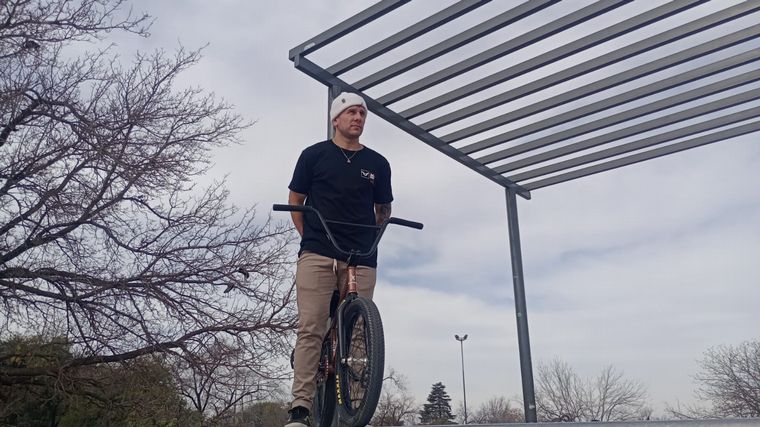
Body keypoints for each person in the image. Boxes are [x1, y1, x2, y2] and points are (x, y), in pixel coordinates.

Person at [285, 92, 393, 427]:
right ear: (336, 119)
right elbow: (295, 201)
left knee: (359, 331)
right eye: (351, 112)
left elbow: (383, 210)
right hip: (319, 251)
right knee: (312, 327)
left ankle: (354, 401)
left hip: (361, 256)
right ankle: (300, 408)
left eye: (362, 113)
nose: (358, 118)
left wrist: (370, 239)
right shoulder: (314, 156)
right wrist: (310, 239)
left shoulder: (378, 163)